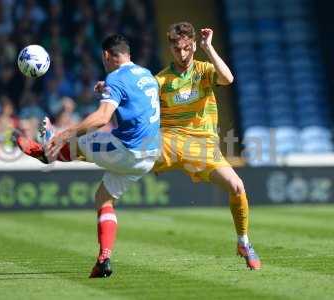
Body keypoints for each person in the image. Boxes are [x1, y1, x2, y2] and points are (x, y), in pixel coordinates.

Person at [16, 34, 160, 278]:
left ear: (106, 55)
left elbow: (103, 118)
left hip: (126, 150)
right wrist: (109, 89)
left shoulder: (116, 78)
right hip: (149, 154)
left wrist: (66, 133)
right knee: (103, 198)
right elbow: (135, 101)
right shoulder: (146, 74)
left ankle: (46, 152)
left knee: (79, 141)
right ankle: (104, 259)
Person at [151, 22, 261, 270]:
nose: (182, 54)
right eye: (177, 49)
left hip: (203, 149)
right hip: (169, 143)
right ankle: (63, 149)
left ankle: (243, 242)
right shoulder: (160, 80)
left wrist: (208, 48)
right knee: (121, 160)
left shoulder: (203, 70)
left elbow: (228, 78)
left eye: (187, 49)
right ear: (170, 47)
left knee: (236, 186)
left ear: (192, 46)